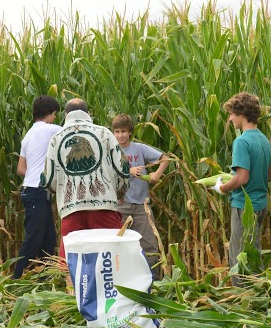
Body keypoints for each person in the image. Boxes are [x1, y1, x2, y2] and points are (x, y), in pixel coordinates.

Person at [40, 98, 130, 258]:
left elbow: (48, 179)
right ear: (88, 114)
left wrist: (60, 192)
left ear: (66, 115)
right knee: (113, 256)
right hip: (104, 205)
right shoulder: (104, 133)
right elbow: (122, 169)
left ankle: (70, 284)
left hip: (71, 207)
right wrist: (119, 193)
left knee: (71, 258)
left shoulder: (56, 138)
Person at [212, 93, 271, 286]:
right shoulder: (263, 140)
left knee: (239, 257)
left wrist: (222, 187)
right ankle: (259, 296)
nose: (230, 119)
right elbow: (269, 175)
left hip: (244, 207)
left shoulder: (242, 141)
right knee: (253, 253)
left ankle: (243, 301)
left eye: (231, 114)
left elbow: (242, 177)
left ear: (241, 113)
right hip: (261, 205)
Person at [112, 113, 170, 278]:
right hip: (120, 205)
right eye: (117, 131)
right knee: (118, 244)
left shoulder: (139, 149)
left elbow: (165, 159)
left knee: (150, 244)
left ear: (130, 132)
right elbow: (107, 173)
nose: (120, 135)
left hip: (141, 205)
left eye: (123, 131)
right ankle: (121, 280)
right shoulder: (111, 151)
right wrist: (128, 171)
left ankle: (154, 280)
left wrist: (156, 174)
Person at [13, 95, 61, 279]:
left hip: (31, 190)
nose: (55, 118)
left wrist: (38, 174)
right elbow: (75, 132)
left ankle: (45, 278)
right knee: (34, 239)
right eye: (55, 114)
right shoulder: (50, 130)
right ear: (50, 113)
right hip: (38, 192)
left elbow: (20, 169)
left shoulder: (28, 136)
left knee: (48, 239)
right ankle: (16, 277)